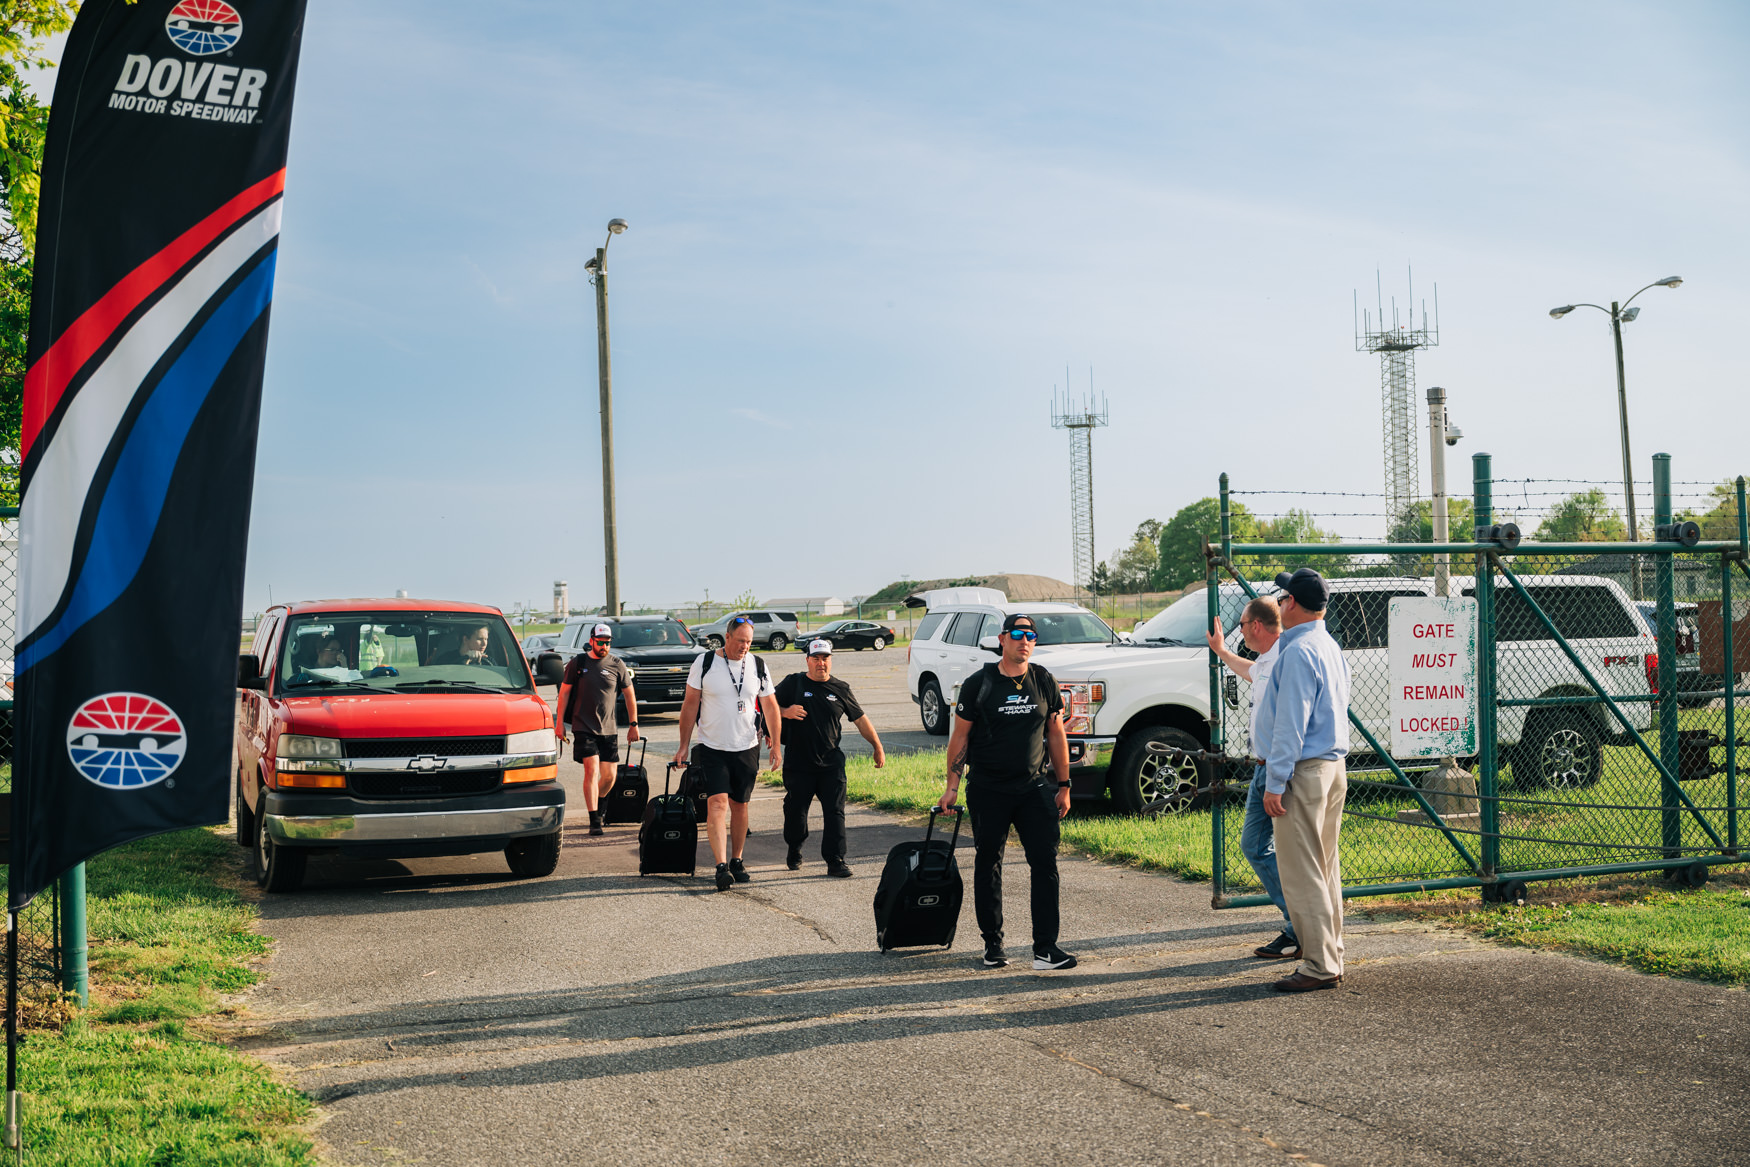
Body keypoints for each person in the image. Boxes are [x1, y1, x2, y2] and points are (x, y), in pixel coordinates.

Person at [937, 612, 1077, 972]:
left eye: (1030, 635)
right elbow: (960, 738)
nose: (1024, 641)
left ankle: (1046, 948)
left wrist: (1063, 785)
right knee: (989, 864)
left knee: (1045, 865)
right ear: (1002, 639)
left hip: (1033, 789)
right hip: (988, 790)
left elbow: (1056, 734)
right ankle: (993, 945)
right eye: (1017, 634)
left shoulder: (1044, 680)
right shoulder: (979, 684)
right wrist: (952, 786)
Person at [1256, 568, 1352, 993]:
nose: (1278, 603)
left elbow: (1289, 725)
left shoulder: (1296, 652)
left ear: (1291, 602)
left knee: (1303, 873)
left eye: (1281, 597)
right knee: (1325, 868)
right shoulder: (1327, 644)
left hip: (1304, 771)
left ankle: (1319, 965)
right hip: (1331, 769)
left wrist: (1275, 782)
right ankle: (1331, 953)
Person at [1208, 596, 1298, 961]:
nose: (1241, 630)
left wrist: (1276, 780)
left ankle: (1300, 926)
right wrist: (1223, 652)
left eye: (1242, 625)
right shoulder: (1267, 660)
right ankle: (1298, 923)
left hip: (1277, 770)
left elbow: (1288, 725)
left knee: (1274, 849)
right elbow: (1250, 670)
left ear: (1256, 626)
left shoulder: (1286, 659)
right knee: (1254, 845)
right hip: (1263, 768)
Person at [673, 616, 781, 892]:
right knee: (717, 803)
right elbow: (689, 705)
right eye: (740, 640)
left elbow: (770, 707)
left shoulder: (758, 665)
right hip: (712, 747)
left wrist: (776, 744)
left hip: (746, 746)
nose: (745, 646)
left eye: (749, 641)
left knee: (740, 805)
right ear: (727, 637)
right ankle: (721, 866)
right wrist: (684, 745)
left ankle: (737, 860)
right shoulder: (705, 663)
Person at [774, 639, 886, 877]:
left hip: (831, 763)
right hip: (799, 762)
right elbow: (765, 705)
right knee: (796, 813)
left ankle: (835, 859)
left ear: (830, 660)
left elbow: (860, 719)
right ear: (807, 660)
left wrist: (877, 746)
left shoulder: (841, 689)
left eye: (825, 658)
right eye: (816, 658)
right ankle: (795, 847)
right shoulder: (792, 683)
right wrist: (785, 712)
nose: (820, 663)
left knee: (835, 811)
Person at [556, 622, 640, 837]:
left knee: (610, 777)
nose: (604, 646)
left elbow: (630, 695)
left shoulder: (617, 664)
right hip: (583, 727)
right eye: (600, 642)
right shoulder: (578, 663)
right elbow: (564, 693)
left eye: (607, 643)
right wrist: (558, 725)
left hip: (609, 728)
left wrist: (633, 725)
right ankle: (595, 819)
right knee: (591, 771)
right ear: (591, 640)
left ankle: (600, 804)